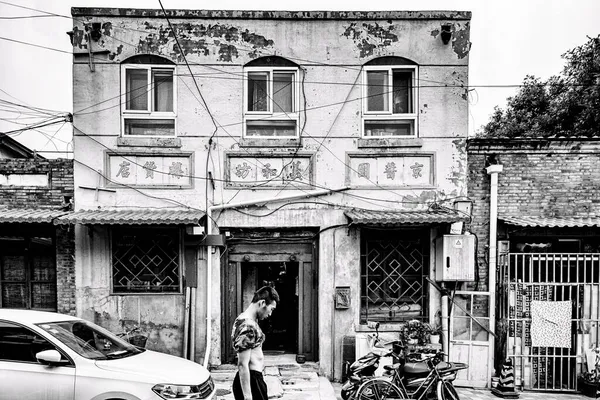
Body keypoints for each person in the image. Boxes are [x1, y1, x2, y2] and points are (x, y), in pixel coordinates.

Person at [231, 285, 280, 400]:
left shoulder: (243, 319)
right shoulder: (247, 326)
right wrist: (248, 396)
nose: (270, 314)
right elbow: (242, 364)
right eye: (271, 309)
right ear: (262, 303)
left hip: (253, 380)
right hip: (252, 382)